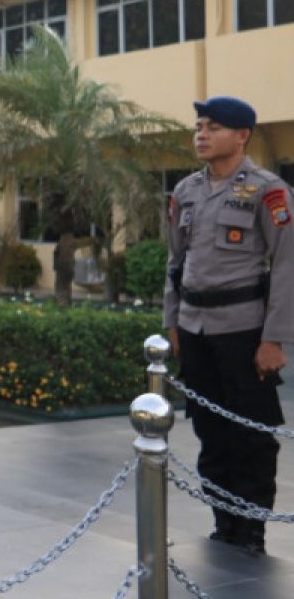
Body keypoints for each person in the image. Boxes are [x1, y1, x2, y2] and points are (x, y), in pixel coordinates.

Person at [164, 96, 293, 557]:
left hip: (245, 332)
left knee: (252, 436)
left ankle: (252, 532)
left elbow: (286, 267)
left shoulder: (267, 190)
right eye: (198, 125)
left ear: (242, 136)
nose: (201, 133)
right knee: (211, 435)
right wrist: (172, 323)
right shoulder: (185, 192)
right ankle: (225, 525)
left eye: (213, 126)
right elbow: (175, 264)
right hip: (196, 330)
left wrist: (274, 338)